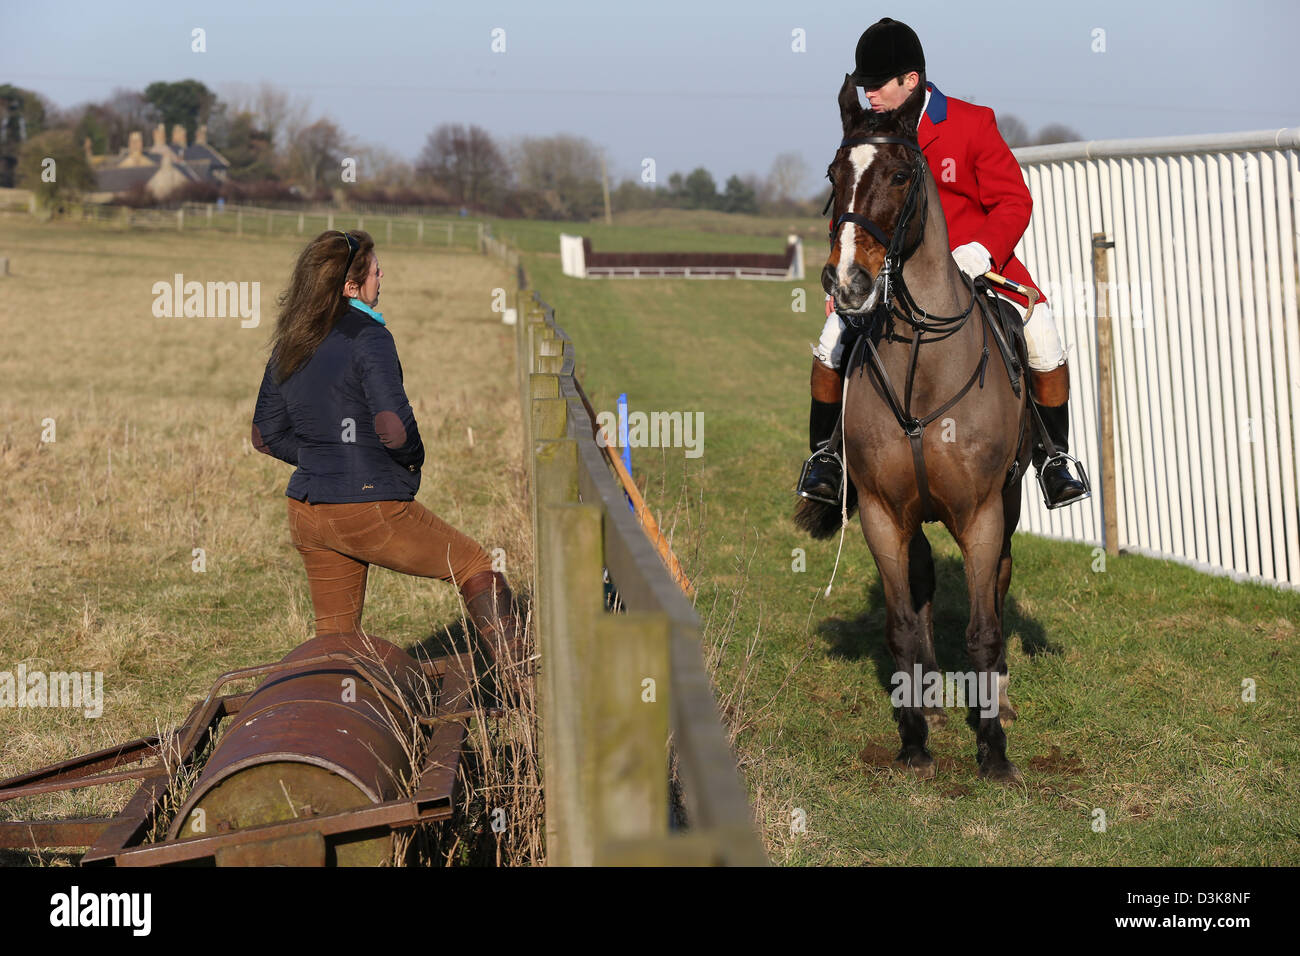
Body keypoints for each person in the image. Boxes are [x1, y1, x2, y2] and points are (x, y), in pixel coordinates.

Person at [797, 17, 1089, 510]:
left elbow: (1014, 201)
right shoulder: (866, 135)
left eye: (876, 85)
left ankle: (1054, 458)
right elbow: (852, 206)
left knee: (1044, 332)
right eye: (863, 86)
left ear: (910, 82)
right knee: (831, 343)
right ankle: (826, 457)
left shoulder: (972, 123)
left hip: (980, 266)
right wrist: (849, 269)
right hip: (889, 273)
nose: (868, 95)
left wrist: (981, 250)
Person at [252, 229, 519, 663]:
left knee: (335, 641)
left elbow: (264, 435)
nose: (383, 276)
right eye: (376, 270)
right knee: (476, 565)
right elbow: (393, 428)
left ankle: (332, 719)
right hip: (367, 509)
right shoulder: (369, 337)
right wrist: (411, 460)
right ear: (350, 287)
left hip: (306, 511)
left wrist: (325, 459)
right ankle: (523, 683)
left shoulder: (292, 339)